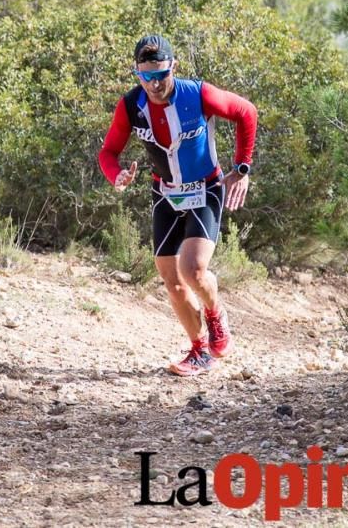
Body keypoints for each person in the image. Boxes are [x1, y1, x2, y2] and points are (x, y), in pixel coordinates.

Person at [97, 34, 258, 377]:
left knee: (194, 269)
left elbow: (246, 112)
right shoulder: (131, 105)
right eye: (146, 76)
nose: (154, 84)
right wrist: (117, 175)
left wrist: (241, 168)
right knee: (172, 282)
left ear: (174, 67)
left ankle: (215, 314)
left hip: (205, 188)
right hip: (165, 193)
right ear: (137, 73)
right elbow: (107, 152)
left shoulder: (198, 94)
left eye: (161, 74)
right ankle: (199, 351)